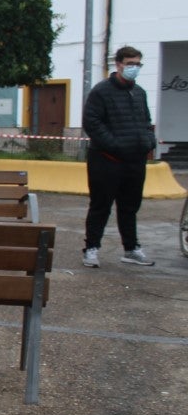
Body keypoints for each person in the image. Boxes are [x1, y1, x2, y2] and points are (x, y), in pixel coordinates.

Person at [81, 45, 158, 268]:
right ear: (118, 64)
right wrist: (115, 145)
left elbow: (145, 121)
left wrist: (147, 142)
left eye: (137, 64)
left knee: (130, 207)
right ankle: (91, 249)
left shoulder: (139, 92)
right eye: (130, 64)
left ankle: (131, 249)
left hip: (135, 161)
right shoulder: (101, 91)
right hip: (106, 160)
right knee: (100, 206)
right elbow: (92, 123)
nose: (134, 68)